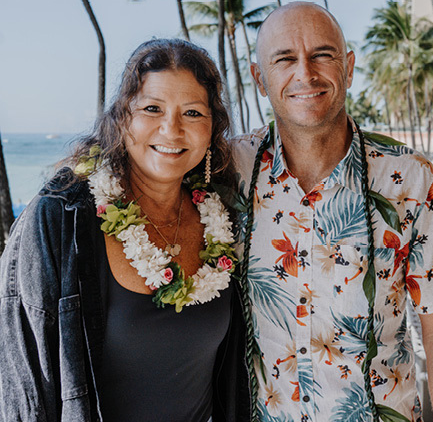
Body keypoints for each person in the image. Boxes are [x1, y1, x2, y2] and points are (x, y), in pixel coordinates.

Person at [233, 2, 433, 422]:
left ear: (348, 67)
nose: (305, 74)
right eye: (284, 59)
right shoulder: (229, 168)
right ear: (259, 78)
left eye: (322, 55)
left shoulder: (410, 179)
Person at [0, 38, 251, 422]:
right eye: (152, 108)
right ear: (122, 118)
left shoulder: (224, 213)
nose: (172, 129)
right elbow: (23, 379)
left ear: (213, 127)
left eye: (193, 113)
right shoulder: (61, 217)